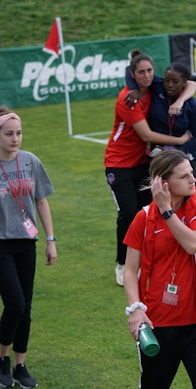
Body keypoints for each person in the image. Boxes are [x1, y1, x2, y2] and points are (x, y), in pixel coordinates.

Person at [123, 149, 196, 389]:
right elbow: (130, 270)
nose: (193, 179)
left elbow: (192, 243)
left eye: (191, 173)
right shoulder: (143, 219)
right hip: (158, 324)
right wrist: (135, 310)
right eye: (184, 176)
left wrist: (167, 211)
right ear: (164, 183)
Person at [105, 50, 195, 287]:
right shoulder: (127, 98)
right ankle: (122, 264)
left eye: (149, 71)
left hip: (144, 163)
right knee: (128, 213)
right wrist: (178, 143)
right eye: (141, 72)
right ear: (132, 74)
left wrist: (180, 101)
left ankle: (147, 262)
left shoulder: (155, 85)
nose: (146, 76)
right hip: (119, 164)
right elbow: (145, 134)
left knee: (148, 213)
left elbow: (192, 83)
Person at [0, 107, 57, 388]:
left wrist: (50, 239)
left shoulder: (31, 161)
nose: (15, 138)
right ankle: (2, 359)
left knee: (27, 306)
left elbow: (41, 201)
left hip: (27, 242)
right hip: (0, 245)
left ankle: (20, 366)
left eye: (18, 133)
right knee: (15, 303)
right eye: (9, 133)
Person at [126, 62, 196, 187]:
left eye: (175, 81)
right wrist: (133, 89)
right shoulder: (157, 87)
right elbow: (129, 69)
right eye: (167, 80)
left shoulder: (192, 106)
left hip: (184, 161)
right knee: (158, 198)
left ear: (184, 83)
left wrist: (175, 152)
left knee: (191, 200)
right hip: (157, 159)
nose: (169, 85)